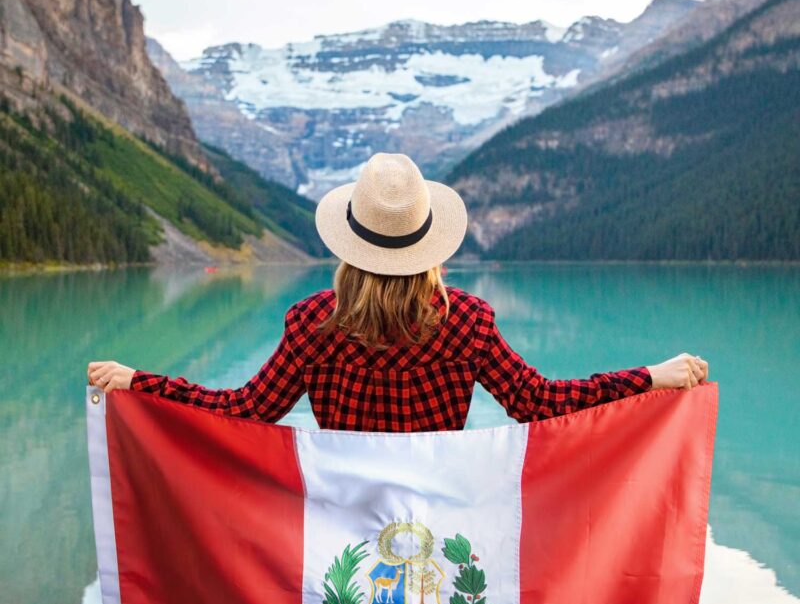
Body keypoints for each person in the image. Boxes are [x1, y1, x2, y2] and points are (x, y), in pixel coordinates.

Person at [86, 153, 709, 427]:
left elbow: (243, 413)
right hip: (442, 522)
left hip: (342, 526)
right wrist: (653, 377)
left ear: (349, 243)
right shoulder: (468, 321)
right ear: (428, 246)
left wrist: (140, 383)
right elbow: (537, 403)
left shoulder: (312, 324)